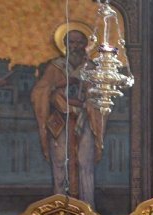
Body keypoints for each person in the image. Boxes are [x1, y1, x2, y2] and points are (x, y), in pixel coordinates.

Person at [31, 29, 104, 204]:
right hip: (60, 120)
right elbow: (40, 92)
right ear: (65, 44)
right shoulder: (55, 66)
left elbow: (100, 94)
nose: (75, 46)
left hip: (85, 119)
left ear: (86, 45)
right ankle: (60, 206)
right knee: (60, 161)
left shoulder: (91, 68)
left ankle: (87, 207)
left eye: (79, 42)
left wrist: (87, 100)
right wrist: (56, 92)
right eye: (71, 42)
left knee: (84, 161)